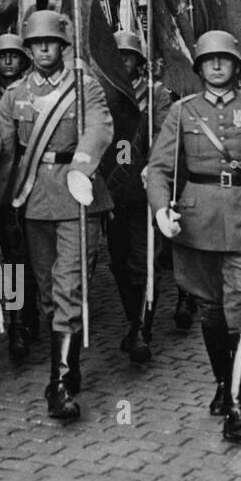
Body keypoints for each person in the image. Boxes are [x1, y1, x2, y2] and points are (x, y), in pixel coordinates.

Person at [147, 30, 241, 442]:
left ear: (236, 66)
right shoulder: (181, 112)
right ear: (198, 67)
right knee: (211, 313)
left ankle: (237, 408)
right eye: (208, 60)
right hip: (196, 227)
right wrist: (161, 209)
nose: (216, 65)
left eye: (224, 59)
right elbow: (159, 169)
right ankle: (222, 381)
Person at [0, 11, 113, 422]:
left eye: (51, 43)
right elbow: (5, 154)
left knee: (69, 286)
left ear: (63, 46)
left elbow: (99, 127)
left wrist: (82, 166)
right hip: (34, 199)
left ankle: (58, 383)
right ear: (28, 49)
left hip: (77, 196)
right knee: (47, 291)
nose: (44, 49)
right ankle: (69, 360)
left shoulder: (85, 87)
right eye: (36, 43)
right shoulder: (14, 95)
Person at [104, 30, 173, 365]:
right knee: (118, 263)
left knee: (143, 261)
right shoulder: (102, 91)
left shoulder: (156, 93)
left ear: (140, 60)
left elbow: (163, 132)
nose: (123, 62)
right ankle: (134, 320)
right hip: (111, 188)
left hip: (144, 185)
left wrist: (155, 167)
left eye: (129, 56)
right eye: (118, 56)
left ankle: (142, 329)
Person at [0, 32, 38, 359]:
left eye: (14, 56)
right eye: (3, 57)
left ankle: (25, 319)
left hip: (30, 180)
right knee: (9, 255)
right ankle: (18, 320)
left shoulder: (32, 91)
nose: (8, 62)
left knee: (27, 255)